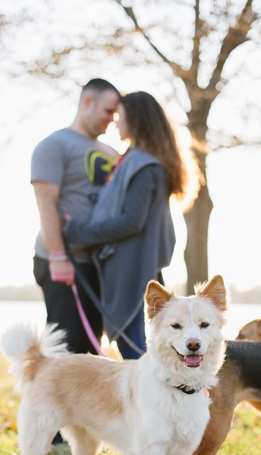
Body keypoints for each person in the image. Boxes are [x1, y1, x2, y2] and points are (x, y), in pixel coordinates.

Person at [64, 91, 188, 359]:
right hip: (135, 268)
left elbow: (132, 221)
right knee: (143, 354)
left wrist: (77, 231)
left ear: (137, 120)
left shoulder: (145, 167)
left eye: (120, 117)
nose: (116, 124)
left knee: (139, 355)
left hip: (134, 272)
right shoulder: (136, 161)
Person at [31, 78, 120, 355]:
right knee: (66, 351)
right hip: (62, 261)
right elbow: (46, 202)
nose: (112, 119)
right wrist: (58, 255)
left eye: (116, 114)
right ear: (87, 102)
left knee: (90, 352)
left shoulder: (113, 153)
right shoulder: (54, 145)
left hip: (96, 265)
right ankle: (47, 399)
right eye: (108, 111)